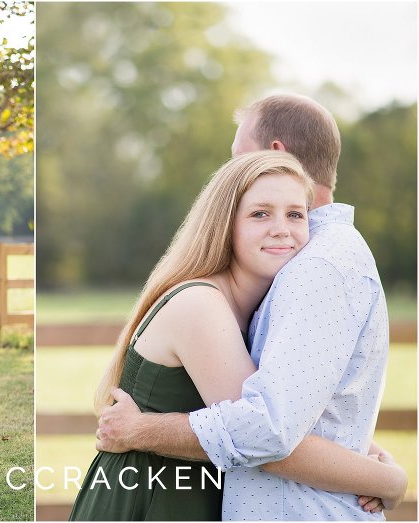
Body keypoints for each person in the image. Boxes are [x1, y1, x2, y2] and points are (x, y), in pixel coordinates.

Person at [96, 94, 407, 519]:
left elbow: (272, 425)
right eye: (260, 214)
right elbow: (274, 423)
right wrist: (386, 479)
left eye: (295, 214)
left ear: (272, 154)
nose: (282, 229)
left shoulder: (317, 265)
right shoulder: (212, 301)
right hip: (158, 498)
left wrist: (379, 467)